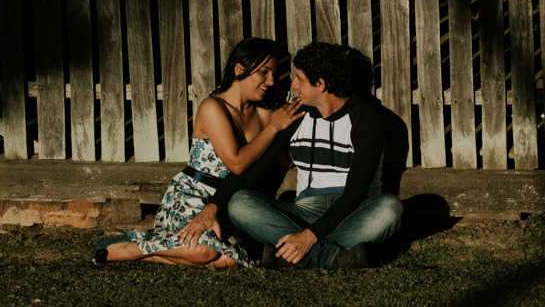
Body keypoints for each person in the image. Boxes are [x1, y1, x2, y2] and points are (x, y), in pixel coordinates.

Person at [177, 42, 403, 269]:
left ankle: (290, 254)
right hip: (304, 209)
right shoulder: (296, 114)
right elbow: (253, 171)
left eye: (300, 79)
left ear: (321, 84)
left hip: (351, 212)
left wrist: (309, 237)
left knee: (390, 209)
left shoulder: (366, 121)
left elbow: (355, 193)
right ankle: (333, 257)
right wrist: (212, 207)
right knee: (240, 203)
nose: (292, 85)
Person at [91, 38, 302, 267]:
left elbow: (281, 162)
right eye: (264, 72)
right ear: (239, 69)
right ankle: (123, 248)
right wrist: (273, 128)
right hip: (193, 195)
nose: (271, 81)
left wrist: (286, 126)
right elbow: (237, 164)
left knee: (228, 260)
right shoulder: (213, 107)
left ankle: (149, 249)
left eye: (274, 73)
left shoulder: (264, 113)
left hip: (229, 202)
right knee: (204, 252)